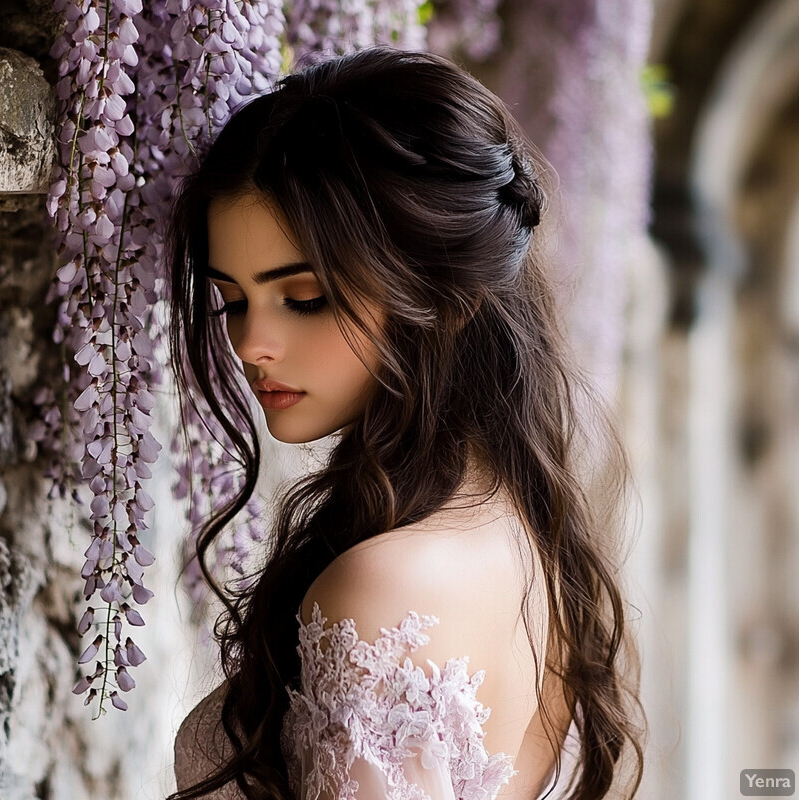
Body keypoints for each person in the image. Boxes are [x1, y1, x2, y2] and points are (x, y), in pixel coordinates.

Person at [167, 46, 645, 800]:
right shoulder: (523, 538)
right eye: (232, 300)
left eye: (304, 296)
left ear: (442, 298)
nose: (251, 343)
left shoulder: (386, 593)